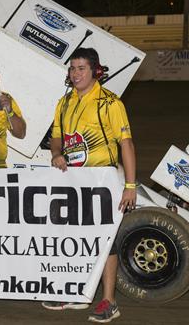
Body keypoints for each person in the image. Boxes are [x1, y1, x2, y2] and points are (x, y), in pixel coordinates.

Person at [43, 48, 137, 323]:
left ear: (95, 70)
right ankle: (79, 292)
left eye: (81, 68)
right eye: (72, 68)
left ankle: (109, 301)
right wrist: (55, 154)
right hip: (73, 180)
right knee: (76, 238)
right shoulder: (64, 102)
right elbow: (56, 138)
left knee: (106, 240)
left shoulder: (110, 103)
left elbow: (126, 143)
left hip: (103, 180)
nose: (75, 74)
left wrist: (130, 185)